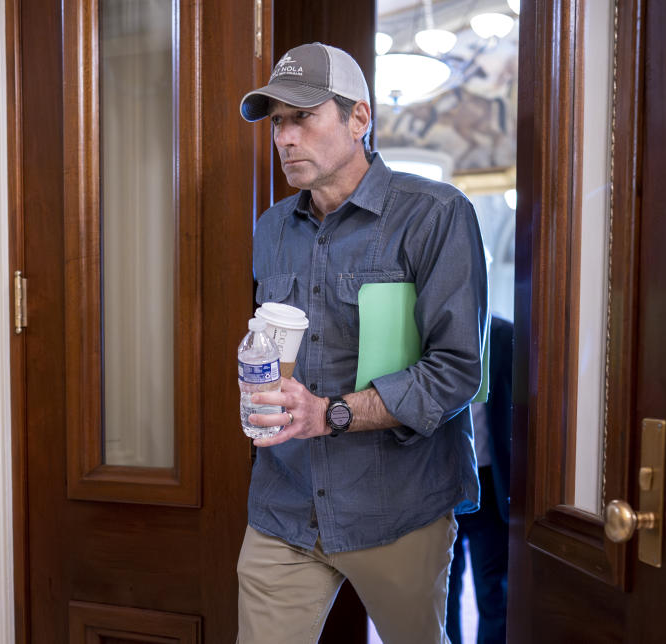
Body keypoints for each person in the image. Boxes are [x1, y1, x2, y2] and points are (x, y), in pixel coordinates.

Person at [236, 42, 488, 644]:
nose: (285, 138)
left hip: (397, 507)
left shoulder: (436, 215)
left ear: (359, 118)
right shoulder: (271, 228)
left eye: (304, 116)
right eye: (278, 122)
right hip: (285, 507)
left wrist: (330, 413)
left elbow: (456, 371)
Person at [446, 316, 513, 644]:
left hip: (491, 483)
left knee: (493, 592)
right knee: (443, 591)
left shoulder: (505, 334)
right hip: (443, 483)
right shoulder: (430, 334)